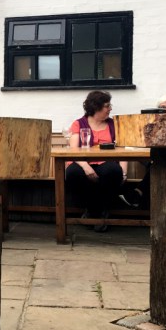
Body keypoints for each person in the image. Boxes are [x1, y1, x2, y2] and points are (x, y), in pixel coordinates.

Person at [65, 90, 127, 232]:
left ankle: (93, 212)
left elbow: (123, 149)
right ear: (96, 107)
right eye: (107, 105)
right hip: (82, 162)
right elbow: (74, 150)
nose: (110, 108)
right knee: (73, 173)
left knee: (113, 171)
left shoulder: (114, 124)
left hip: (106, 163)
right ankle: (98, 212)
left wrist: (124, 171)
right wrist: (86, 167)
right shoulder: (79, 124)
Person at [119, 94, 166, 208]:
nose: (165, 110)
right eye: (162, 107)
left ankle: (137, 195)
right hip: (153, 157)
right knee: (157, 164)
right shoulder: (152, 124)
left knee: (158, 165)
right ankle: (139, 196)